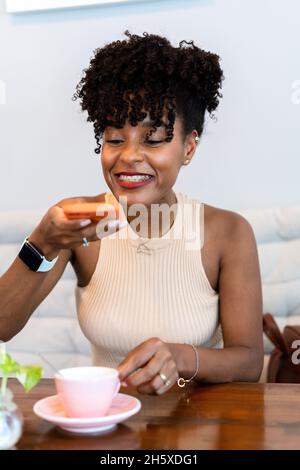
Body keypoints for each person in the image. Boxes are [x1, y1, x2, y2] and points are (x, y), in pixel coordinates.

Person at [0, 31, 263, 395]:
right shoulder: (77, 222)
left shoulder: (228, 233)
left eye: (153, 139)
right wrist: (42, 243)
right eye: (114, 138)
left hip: (197, 425)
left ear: (189, 147)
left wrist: (180, 357)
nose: (129, 157)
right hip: (105, 423)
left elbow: (249, 361)